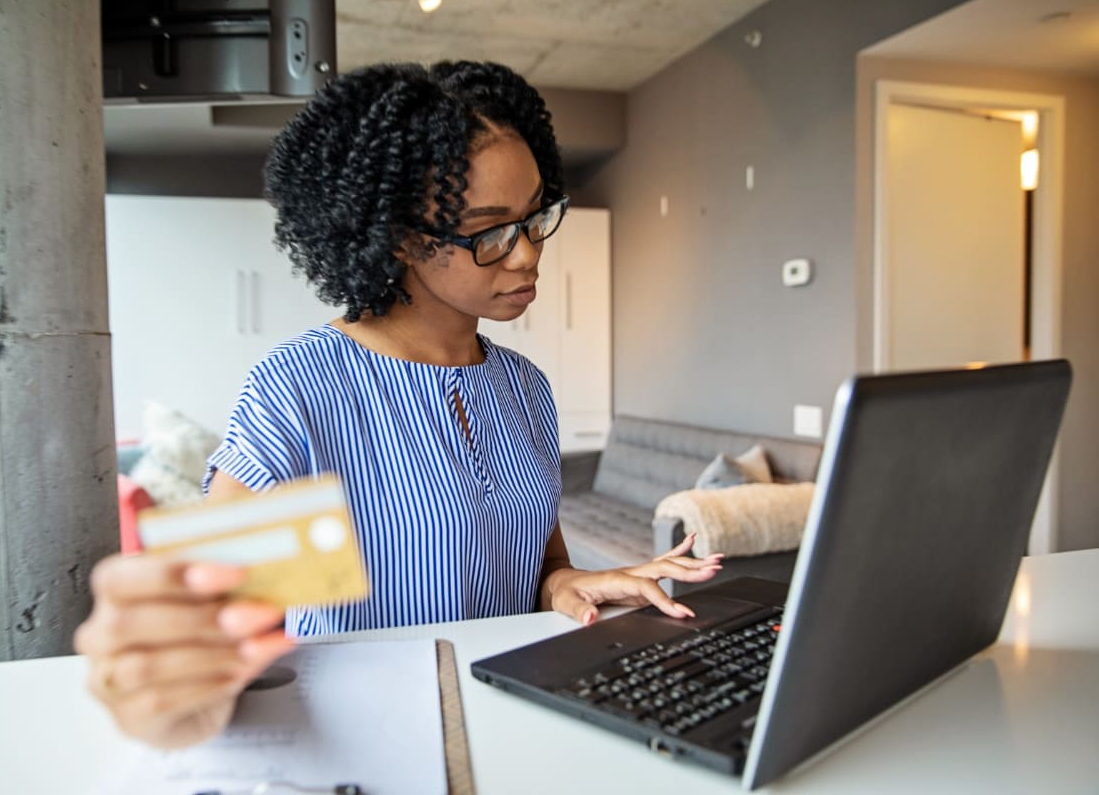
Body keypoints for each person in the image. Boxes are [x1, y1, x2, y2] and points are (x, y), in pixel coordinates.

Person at [74, 60, 723, 749]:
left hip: (517, 723)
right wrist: (160, 678)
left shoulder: (525, 386)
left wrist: (568, 586)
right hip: (376, 743)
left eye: (537, 216)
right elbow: (216, 624)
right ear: (402, 238)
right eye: (491, 232)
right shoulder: (299, 388)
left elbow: (536, 563)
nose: (528, 255)